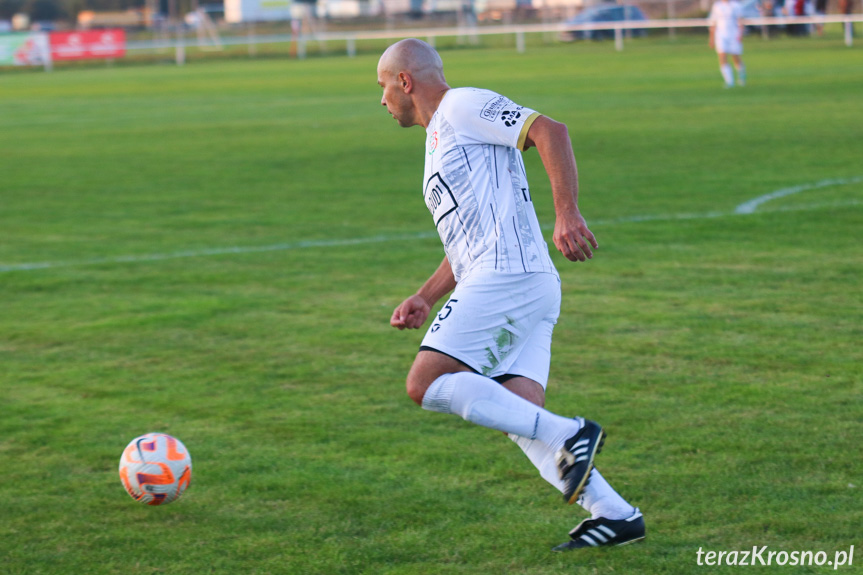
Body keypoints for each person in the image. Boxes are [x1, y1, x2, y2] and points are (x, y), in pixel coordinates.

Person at [377, 38, 645, 551]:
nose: (382, 100)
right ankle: (615, 513)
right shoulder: (438, 139)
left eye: (382, 86)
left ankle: (571, 433)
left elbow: (549, 130)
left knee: (426, 383)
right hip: (520, 282)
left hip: (509, 278)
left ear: (404, 81)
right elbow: (467, 244)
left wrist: (567, 211)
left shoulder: (461, 104)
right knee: (518, 412)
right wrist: (426, 295)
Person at [709, 0, 747, 87]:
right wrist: (711, 38)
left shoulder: (735, 5)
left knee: (735, 57)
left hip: (733, 35)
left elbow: (740, 21)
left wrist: (740, 34)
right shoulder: (717, 6)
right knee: (722, 56)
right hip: (721, 36)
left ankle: (741, 75)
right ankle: (729, 81)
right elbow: (713, 22)